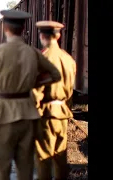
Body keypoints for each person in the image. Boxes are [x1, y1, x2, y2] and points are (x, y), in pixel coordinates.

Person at [0, 9, 61, 180]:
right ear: (24, 29)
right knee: (25, 168)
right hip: (28, 113)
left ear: (5, 28)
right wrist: (35, 83)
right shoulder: (32, 52)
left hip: (3, 114)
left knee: (2, 169)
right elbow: (55, 75)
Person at [33, 21, 76, 180]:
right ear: (58, 36)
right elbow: (70, 90)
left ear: (42, 36)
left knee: (43, 157)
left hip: (46, 115)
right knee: (60, 157)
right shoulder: (68, 59)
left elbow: (36, 91)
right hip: (63, 113)